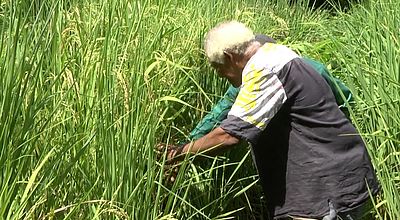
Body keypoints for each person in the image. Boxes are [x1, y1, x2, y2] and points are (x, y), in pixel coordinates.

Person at [163, 21, 379, 220]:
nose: (221, 75)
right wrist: (190, 144)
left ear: (229, 57)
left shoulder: (264, 69)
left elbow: (229, 136)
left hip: (324, 192)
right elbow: (224, 110)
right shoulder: (279, 55)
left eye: (218, 68)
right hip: (340, 179)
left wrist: (178, 154)